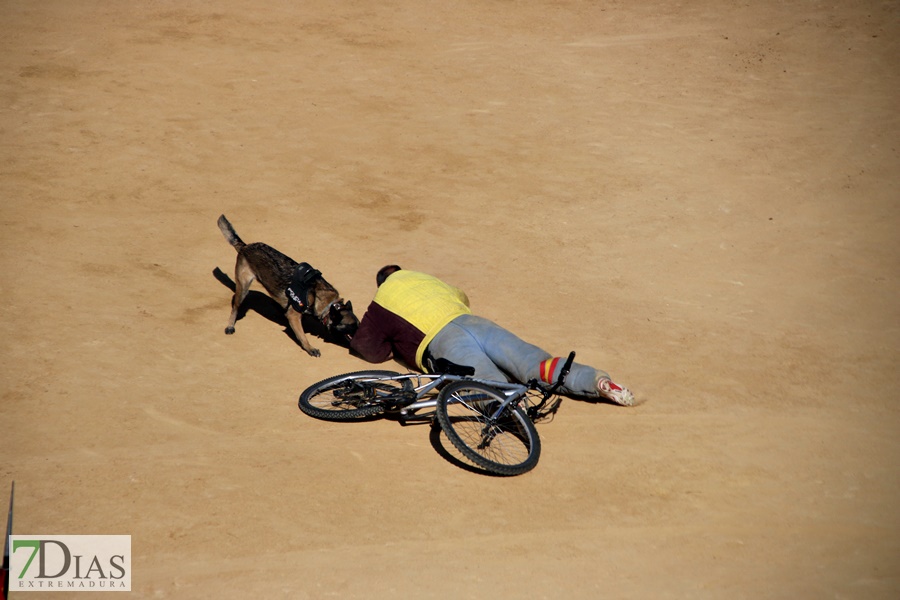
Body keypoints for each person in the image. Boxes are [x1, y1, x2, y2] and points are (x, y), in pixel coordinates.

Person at [349, 265, 635, 405]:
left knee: (487, 382)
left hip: (443, 342)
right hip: (473, 323)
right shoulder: (425, 279)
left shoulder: (382, 299)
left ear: (380, 284)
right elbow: (463, 296)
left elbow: (368, 349)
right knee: (534, 363)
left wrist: (396, 348)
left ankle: (511, 406)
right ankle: (598, 381)